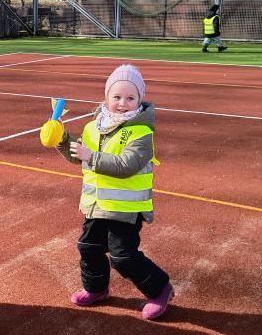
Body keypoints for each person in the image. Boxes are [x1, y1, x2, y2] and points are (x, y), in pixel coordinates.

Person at [50, 64, 174, 320]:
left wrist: (91, 156)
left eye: (130, 98)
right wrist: (61, 139)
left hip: (125, 209)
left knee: (123, 257)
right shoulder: (93, 127)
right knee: (88, 247)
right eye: (116, 96)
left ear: (139, 99)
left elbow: (126, 165)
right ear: (106, 97)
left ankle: (160, 289)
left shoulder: (142, 132)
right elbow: (78, 156)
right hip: (96, 205)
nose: (122, 103)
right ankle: (96, 288)